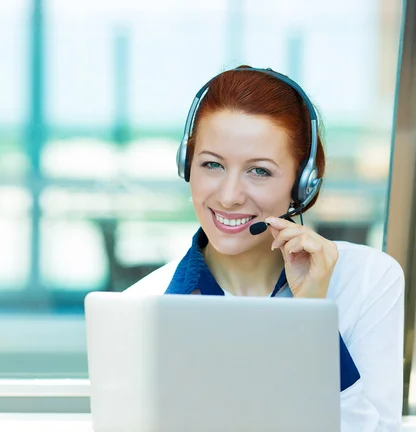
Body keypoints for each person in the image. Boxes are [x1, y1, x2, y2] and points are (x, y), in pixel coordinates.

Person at [125, 65, 405, 431]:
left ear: (303, 183)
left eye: (259, 171)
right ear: (186, 166)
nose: (228, 197)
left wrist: (313, 318)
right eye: (212, 164)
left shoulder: (368, 280)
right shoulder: (142, 307)